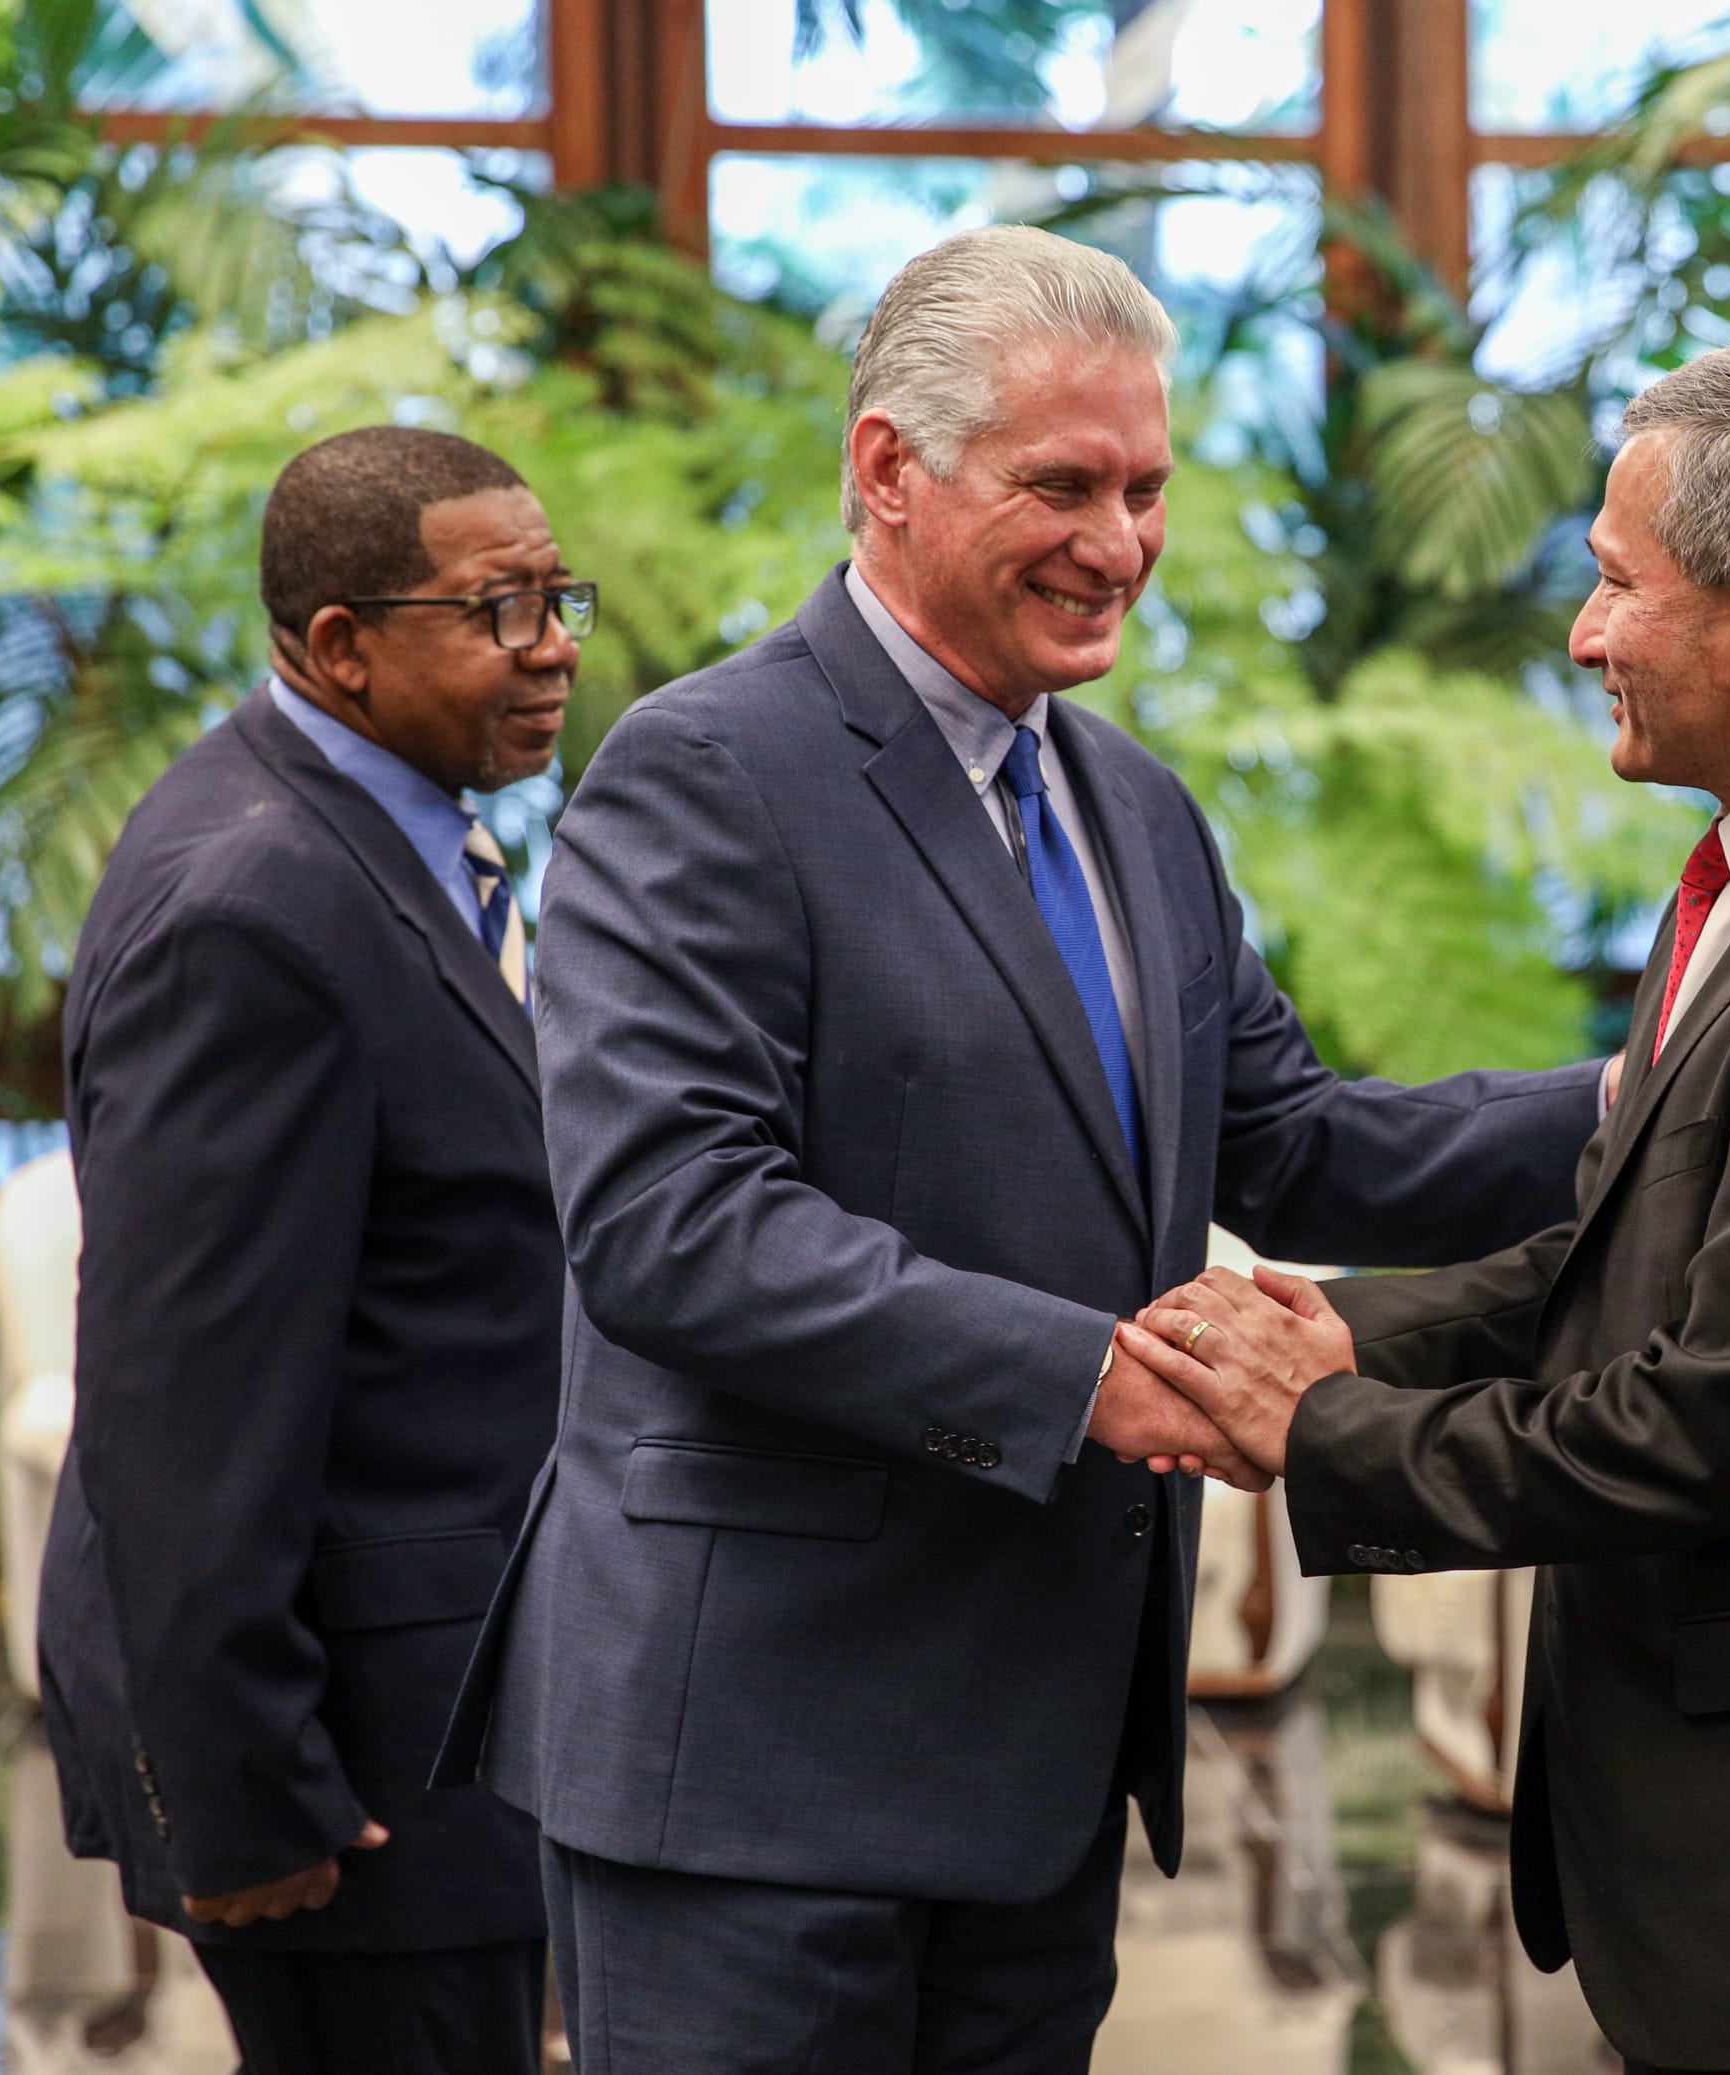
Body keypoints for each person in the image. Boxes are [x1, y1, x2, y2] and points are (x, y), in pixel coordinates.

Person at [435, 225, 1610, 2073]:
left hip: (1037, 1773)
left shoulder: (1132, 806)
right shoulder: (702, 771)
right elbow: (673, 1225)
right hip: (756, 1778)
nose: (1119, 540)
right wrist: (1090, 1381)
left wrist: (1647, 1098)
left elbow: (1289, 1143)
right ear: (886, 469)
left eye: (1144, 488)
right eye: (1062, 484)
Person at [1118, 341, 1730, 2075]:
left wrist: (1328, 1428)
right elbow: (1619, 1251)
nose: (1582, 637)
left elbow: (1698, 1421)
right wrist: (1343, 1323)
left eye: (1610, 585)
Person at [41, 427, 587, 2074]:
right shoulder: (252, 912)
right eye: (497, 610)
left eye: (556, 595)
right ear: (340, 647)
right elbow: (186, 1403)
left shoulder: (388, 828)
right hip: (347, 1776)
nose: (553, 643)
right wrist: (246, 1795)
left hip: (439, 1724)